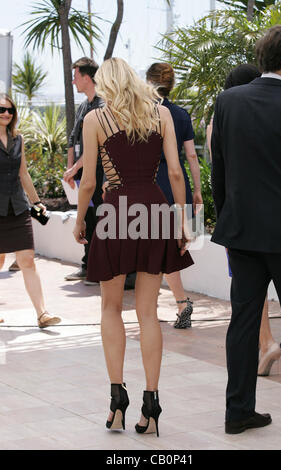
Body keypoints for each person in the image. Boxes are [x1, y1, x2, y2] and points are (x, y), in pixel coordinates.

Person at [73, 57, 193, 436]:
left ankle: (117, 400)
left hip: (116, 212)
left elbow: (89, 182)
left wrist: (79, 221)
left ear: (106, 83)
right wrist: (183, 220)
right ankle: (152, 402)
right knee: (148, 311)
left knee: (110, 307)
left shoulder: (96, 120)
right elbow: (176, 171)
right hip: (155, 209)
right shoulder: (161, 115)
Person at [211, 25, 281, 434]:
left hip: (242, 232)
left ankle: (237, 411)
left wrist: (229, 219)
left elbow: (220, 171)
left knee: (243, 323)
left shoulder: (228, 101)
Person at [207, 64, 281, 376]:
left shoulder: (222, 117)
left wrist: (222, 217)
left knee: (248, 291)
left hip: (238, 218)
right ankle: (265, 343)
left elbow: (217, 174)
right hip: (276, 215)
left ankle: (265, 343)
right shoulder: (270, 110)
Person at [146, 62, 202, 329]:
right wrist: (198, 191)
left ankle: (163, 305)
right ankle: (179, 304)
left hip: (152, 185)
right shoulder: (180, 113)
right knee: (169, 248)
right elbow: (191, 155)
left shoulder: (143, 114)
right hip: (177, 187)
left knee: (154, 248)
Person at [0, 94, 61, 328]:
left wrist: (36, 202)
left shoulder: (18, 139)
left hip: (17, 206)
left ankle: (42, 313)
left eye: (10, 111)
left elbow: (23, 173)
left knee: (27, 260)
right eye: (2, 110)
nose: (6, 114)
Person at [63, 57, 104, 285]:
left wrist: (77, 167)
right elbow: (73, 140)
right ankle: (87, 266)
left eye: (75, 76)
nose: (73, 81)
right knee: (87, 218)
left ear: (87, 78)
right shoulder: (83, 106)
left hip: (98, 175)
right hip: (81, 175)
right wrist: (71, 170)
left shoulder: (102, 105)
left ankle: (97, 267)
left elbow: (95, 146)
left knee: (99, 218)